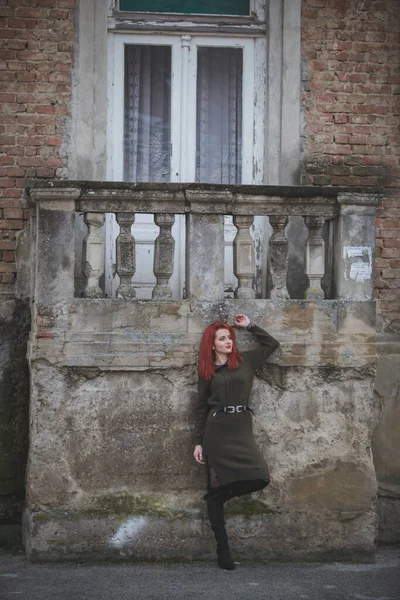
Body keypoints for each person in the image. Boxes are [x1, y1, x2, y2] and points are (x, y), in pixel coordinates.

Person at [193, 314, 280, 571]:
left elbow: (271, 344)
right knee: (216, 487)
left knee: (260, 476)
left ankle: (216, 498)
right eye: (222, 338)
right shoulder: (207, 371)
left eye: (230, 337)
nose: (229, 341)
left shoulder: (246, 362)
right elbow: (200, 409)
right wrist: (198, 443)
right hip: (216, 433)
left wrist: (250, 326)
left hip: (241, 430)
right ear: (212, 344)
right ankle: (223, 550)